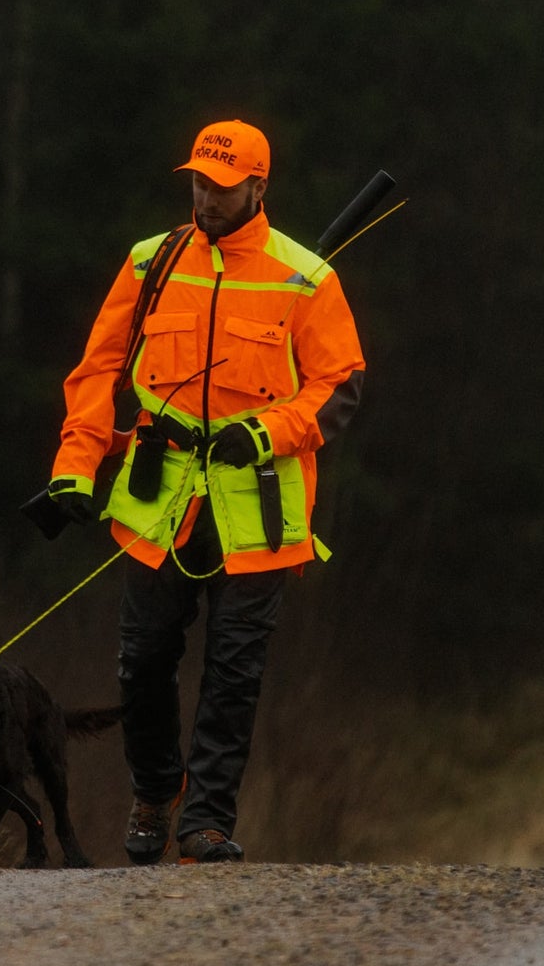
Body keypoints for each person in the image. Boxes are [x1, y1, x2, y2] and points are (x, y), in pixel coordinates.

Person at [42, 119, 365, 865]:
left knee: (234, 670)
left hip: (259, 508)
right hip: (160, 498)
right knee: (143, 659)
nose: (205, 196)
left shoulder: (306, 277)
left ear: (258, 186)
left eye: (221, 186)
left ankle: (207, 823)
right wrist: (74, 463)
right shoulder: (151, 261)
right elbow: (94, 372)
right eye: (197, 181)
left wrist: (269, 432)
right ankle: (156, 789)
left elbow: (339, 385)